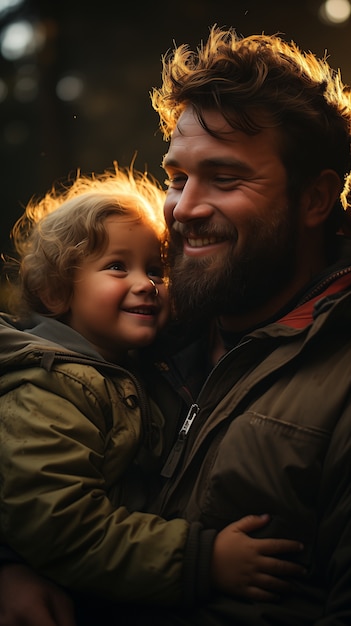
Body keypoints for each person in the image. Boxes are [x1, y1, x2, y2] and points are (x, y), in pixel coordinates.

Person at [2, 22, 351, 625]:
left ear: (316, 200)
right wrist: (10, 565)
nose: (184, 209)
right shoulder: (132, 335)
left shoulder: (337, 378)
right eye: (177, 178)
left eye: (226, 178)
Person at [0, 163, 305, 625]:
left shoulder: (136, 367)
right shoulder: (48, 386)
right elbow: (61, 525)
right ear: (56, 290)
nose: (147, 285)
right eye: (117, 266)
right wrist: (201, 560)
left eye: (158, 269)